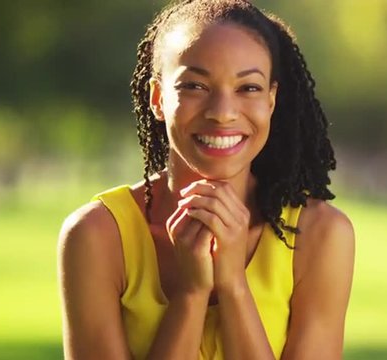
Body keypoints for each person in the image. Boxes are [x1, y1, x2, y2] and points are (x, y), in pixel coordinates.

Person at [57, 0, 355, 359]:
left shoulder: (321, 235)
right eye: (195, 86)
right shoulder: (96, 236)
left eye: (248, 88)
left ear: (272, 100)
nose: (223, 113)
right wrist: (190, 295)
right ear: (157, 98)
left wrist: (233, 286)